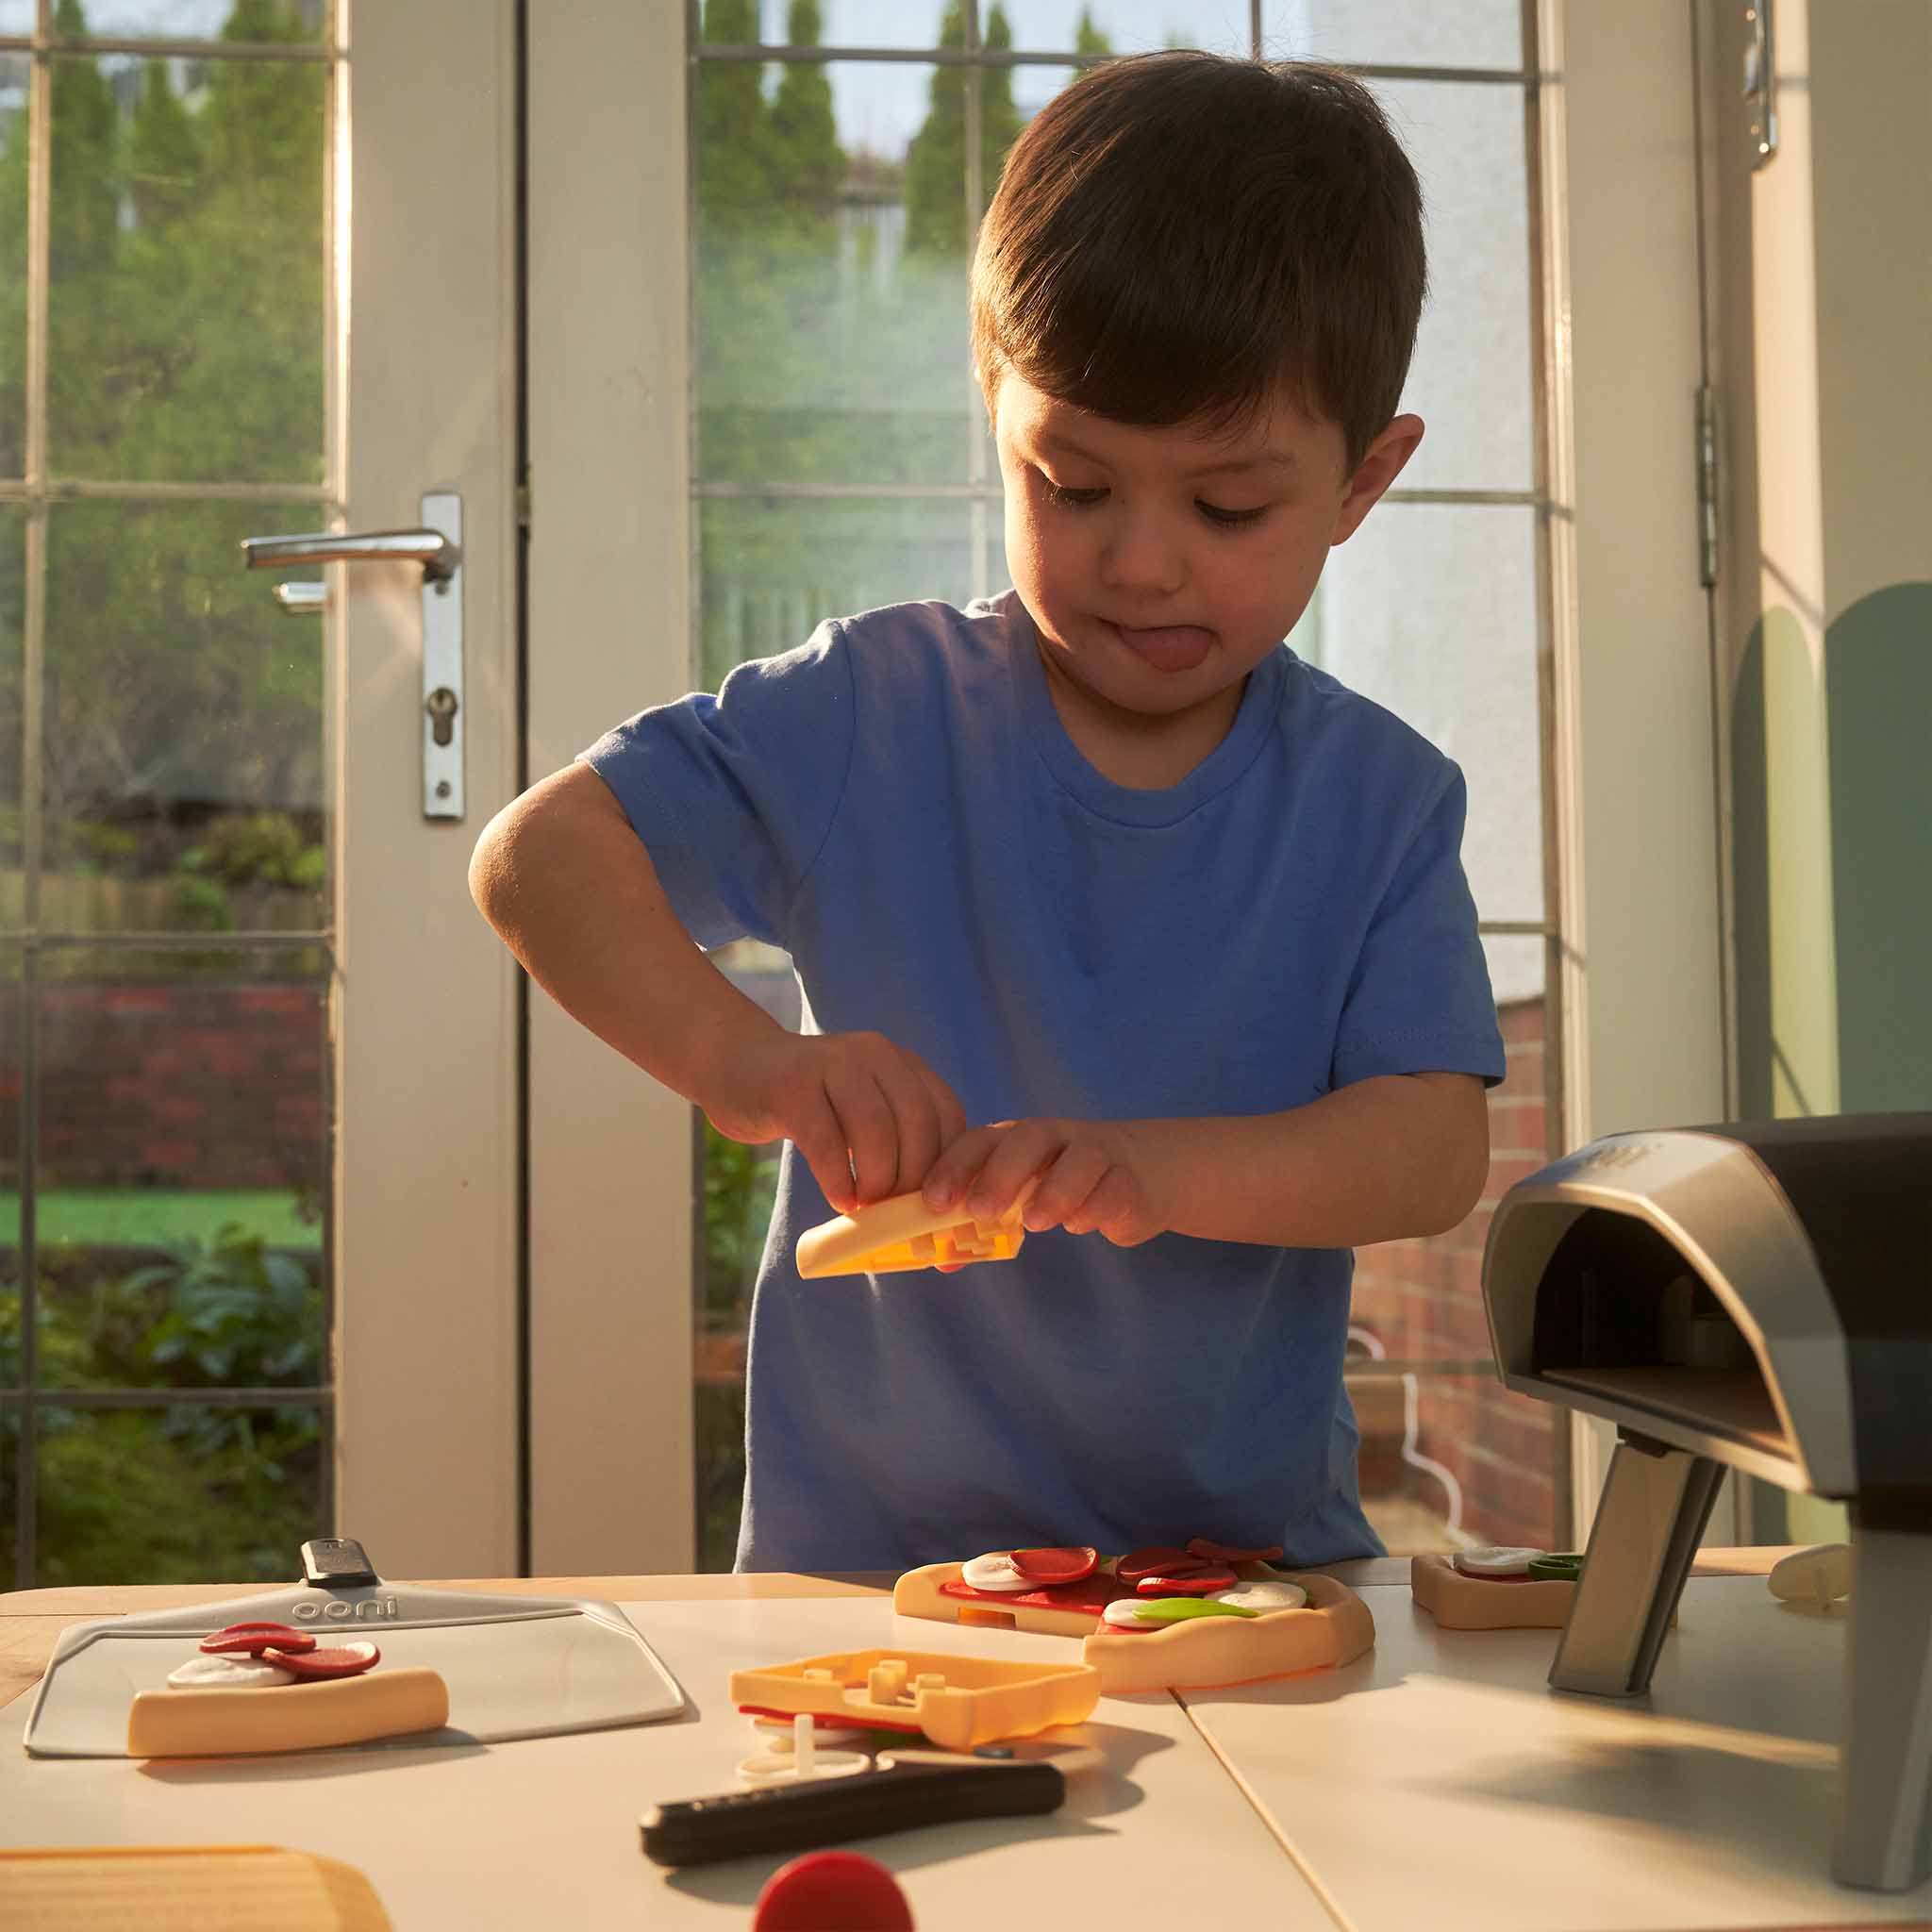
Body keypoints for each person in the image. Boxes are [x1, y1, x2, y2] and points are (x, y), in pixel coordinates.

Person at [469, 51, 1504, 1573]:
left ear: (1365, 479)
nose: (1141, 562)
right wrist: (753, 1067)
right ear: (996, 414)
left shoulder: (1380, 798)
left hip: (1243, 1578)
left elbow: (1428, 1152)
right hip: (873, 1579)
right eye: (1072, 483)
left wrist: (1155, 1176)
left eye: (1228, 508)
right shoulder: (867, 713)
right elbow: (538, 858)